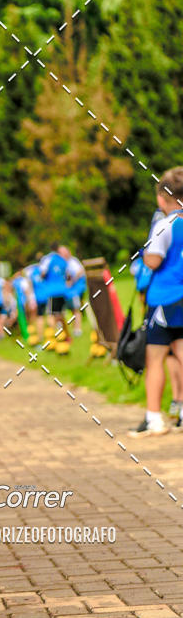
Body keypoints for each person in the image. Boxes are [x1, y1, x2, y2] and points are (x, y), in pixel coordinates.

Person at [129, 168, 183, 437]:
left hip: (164, 298)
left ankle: (154, 419)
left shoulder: (165, 224)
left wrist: (143, 253)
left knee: (156, 358)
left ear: (163, 198)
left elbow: (153, 261)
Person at [39, 245, 70, 343]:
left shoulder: (47, 259)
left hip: (51, 291)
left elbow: (42, 273)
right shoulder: (63, 260)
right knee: (61, 314)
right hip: (62, 290)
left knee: (51, 315)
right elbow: (68, 275)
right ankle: (66, 335)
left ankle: (54, 338)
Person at [60, 246, 87, 336]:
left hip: (74, 290)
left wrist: (72, 281)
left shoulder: (72, 261)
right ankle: (69, 328)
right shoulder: (62, 263)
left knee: (75, 309)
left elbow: (80, 271)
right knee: (69, 310)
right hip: (66, 291)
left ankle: (77, 329)